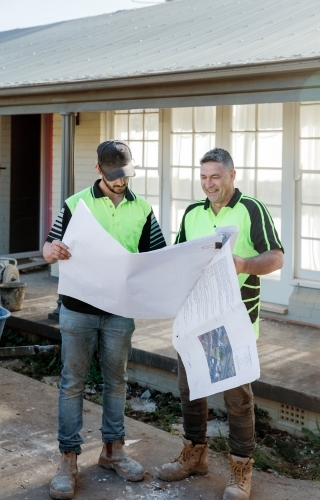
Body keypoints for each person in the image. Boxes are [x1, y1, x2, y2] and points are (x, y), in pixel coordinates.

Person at [158, 148, 284, 500]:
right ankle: (194, 457)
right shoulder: (193, 212)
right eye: (203, 177)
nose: (208, 183)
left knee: (237, 398)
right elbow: (181, 257)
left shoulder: (251, 209)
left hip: (234, 319)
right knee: (190, 388)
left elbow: (276, 257)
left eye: (215, 176)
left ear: (232, 175)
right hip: (194, 315)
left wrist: (243, 263)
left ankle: (241, 470)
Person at [43, 140, 166, 500]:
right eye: (113, 176)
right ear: (99, 170)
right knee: (72, 383)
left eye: (126, 175)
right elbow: (50, 246)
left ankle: (113, 451)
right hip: (77, 310)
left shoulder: (142, 208)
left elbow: (155, 256)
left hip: (119, 311)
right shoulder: (74, 204)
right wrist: (50, 250)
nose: (120, 182)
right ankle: (68, 459)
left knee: (116, 382)